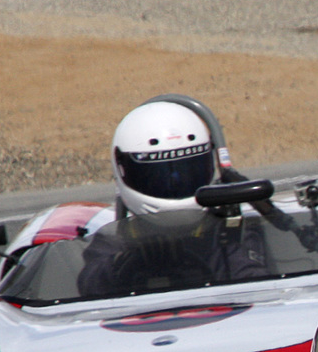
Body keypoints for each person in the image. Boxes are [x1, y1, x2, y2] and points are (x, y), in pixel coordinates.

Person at [76, 100, 267, 297]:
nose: (175, 181)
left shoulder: (228, 233)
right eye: (159, 176)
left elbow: (254, 285)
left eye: (187, 172)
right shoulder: (116, 239)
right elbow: (88, 286)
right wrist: (123, 264)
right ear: (123, 170)